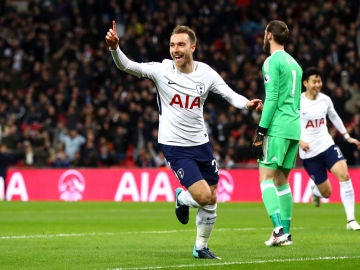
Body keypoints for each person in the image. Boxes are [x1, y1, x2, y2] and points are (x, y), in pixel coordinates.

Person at [105, 21, 263, 259]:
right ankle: (182, 197)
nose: (175, 49)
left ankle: (201, 247)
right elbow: (127, 66)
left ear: (193, 47)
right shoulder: (162, 70)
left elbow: (228, 93)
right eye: (172, 45)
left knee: (211, 199)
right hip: (175, 145)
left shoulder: (206, 73)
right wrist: (115, 48)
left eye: (181, 44)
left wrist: (247, 103)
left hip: (201, 143)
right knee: (201, 196)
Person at [252, 20, 302, 246]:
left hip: (278, 127)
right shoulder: (296, 64)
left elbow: (272, 98)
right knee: (282, 181)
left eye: (265, 33)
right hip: (293, 128)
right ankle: (287, 234)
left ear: (269, 35)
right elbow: (291, 99)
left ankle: (278, 229)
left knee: (266, 179)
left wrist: (261, 129)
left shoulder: (272, 61)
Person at [299, 67, 360, 231]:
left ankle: (351, 220)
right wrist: (299, 141)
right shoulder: (297, 102)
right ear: (305, 83)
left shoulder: (325, 100)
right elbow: (287, 125)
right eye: (314, 81)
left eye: (319, 81)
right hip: (309, 153)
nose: (318, 85)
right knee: (327, 193)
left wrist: (347, 136)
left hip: (327, 145)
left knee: (344, 175)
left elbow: (334, 117)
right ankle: (316, 190)